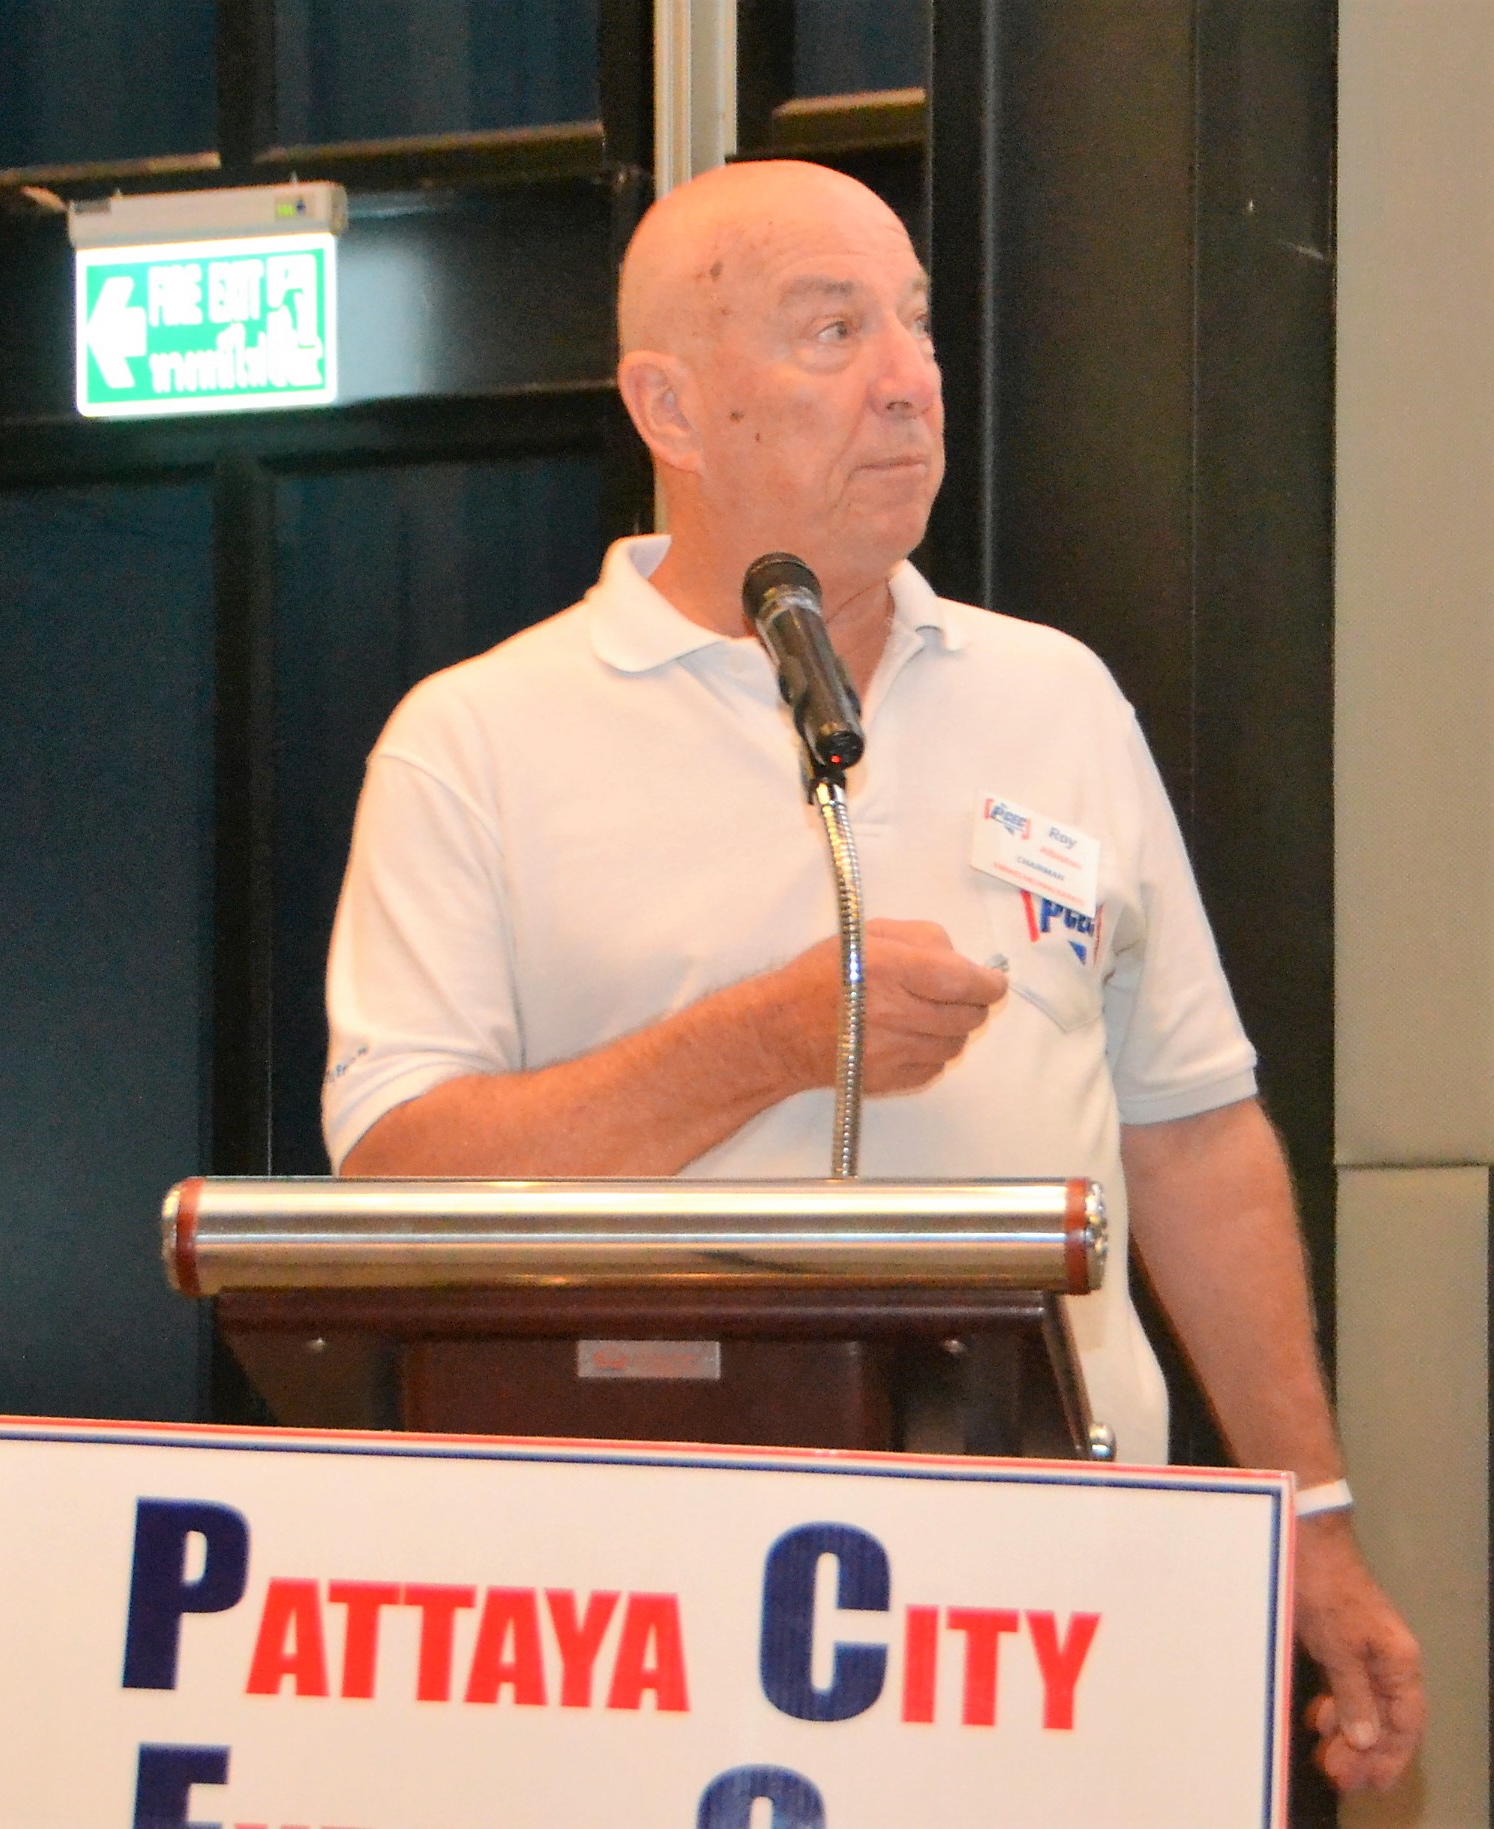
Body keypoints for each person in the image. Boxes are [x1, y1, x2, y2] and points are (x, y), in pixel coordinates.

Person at [319, 159, 1423, 1790]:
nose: (908, 378)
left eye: (911, 322)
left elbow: (1191, 1136)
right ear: (670, 407)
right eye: (831, 331)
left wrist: (1309, 1510)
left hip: (1057, 1607)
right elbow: (394, 1177)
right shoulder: (477, 740)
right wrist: (765, 1041)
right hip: (634, 1636)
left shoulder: (1056, 699)